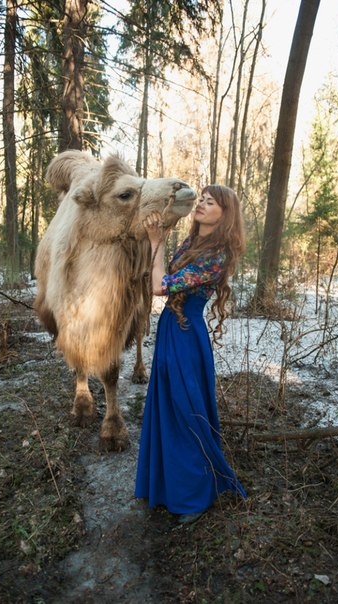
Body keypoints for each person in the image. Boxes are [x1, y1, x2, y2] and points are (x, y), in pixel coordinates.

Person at [135, 184, 247, 525]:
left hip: (187, 335)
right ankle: (167, 489)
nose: (201, 204)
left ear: (224, 214)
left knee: (186, 412)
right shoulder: (193, 243)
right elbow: (163, 278)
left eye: (210, 202)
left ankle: (194, 497)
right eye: (201, 199)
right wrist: (161, 237)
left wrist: (156, 241)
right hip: (171, 328)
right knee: (167, 406)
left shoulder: (219, 254)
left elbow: (160, 286)